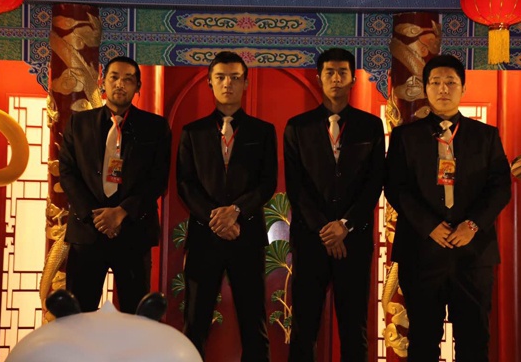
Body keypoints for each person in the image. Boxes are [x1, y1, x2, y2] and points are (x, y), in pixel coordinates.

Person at [385, 54, 512, 361]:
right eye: (436, 82)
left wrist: (473, 224)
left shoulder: (486, 135)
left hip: (473, 254)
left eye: (451, 82)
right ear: (425, 88)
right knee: (422, 341)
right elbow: (395, 187)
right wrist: (428, 225)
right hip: (421, 253)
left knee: (474, 340)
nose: (443, 89)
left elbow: (501, 187)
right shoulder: (405, 136)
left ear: (463, 88)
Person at [283, 48, 385, 361]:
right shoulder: (297, 127)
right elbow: (296, 186)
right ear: (319, 78)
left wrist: (345, 225)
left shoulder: (370, 126)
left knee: (354, 328)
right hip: (310, 240)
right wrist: (325, 230)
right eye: (329, 72)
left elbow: (374, 183)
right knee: (304, 327)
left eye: (343, 72)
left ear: (353, 78)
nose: (336, 78)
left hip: (354, 241)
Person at [176, 51, 277, 361]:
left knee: (253, 322)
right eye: (220, 77)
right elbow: (185, 184)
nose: (227, 84)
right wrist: (215, 218)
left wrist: (235, 212)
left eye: (235, 78)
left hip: (247, 236)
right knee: (195, 320)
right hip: (204, 237)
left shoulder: (263, 131)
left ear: (246, 83)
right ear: (209, 82)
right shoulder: (192, 132)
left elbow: (267, 183)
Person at [59, 56, 172, 314]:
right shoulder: (79, 123)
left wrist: (121, 212)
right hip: (88, 233)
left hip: (133, 230)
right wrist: (96, 216)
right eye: (114, 77)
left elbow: (158, 178)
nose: (120, 84)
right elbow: (67, 172)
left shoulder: (155, 127)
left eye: (128, 79)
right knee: (79, 314)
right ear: (103, 82)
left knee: (135, 314)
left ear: (138, 86)